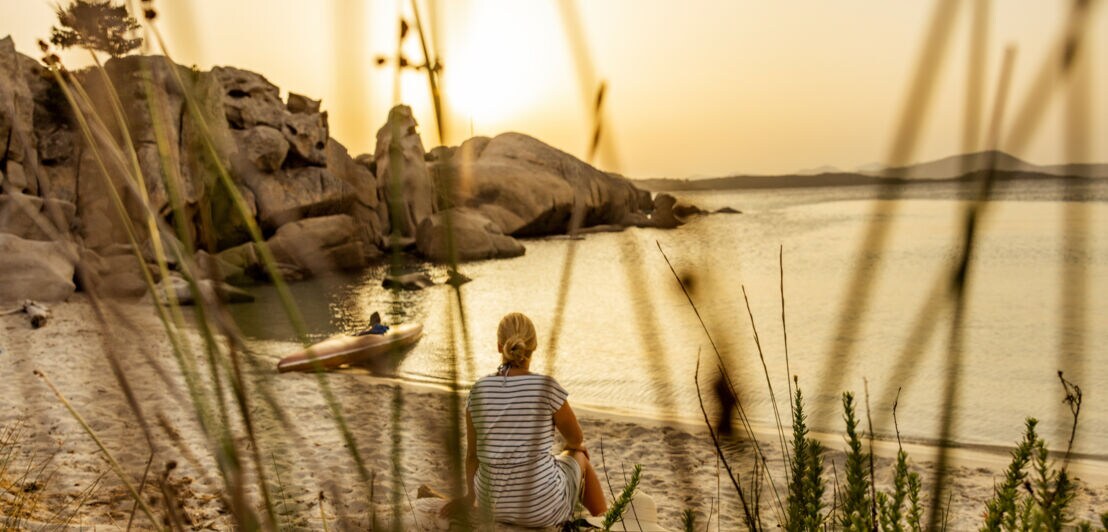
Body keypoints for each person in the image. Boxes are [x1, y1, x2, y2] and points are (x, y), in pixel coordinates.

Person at [440, 312, 607, 527]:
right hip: (540, 508)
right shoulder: (546, 387)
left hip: (489, 505)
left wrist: (469, 498)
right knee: (578, 455)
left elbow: (472, 455)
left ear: (500, 346)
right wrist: (572, 447)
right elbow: (576, 438)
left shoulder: (478, 390)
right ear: (533, 346)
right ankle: (607, 519)